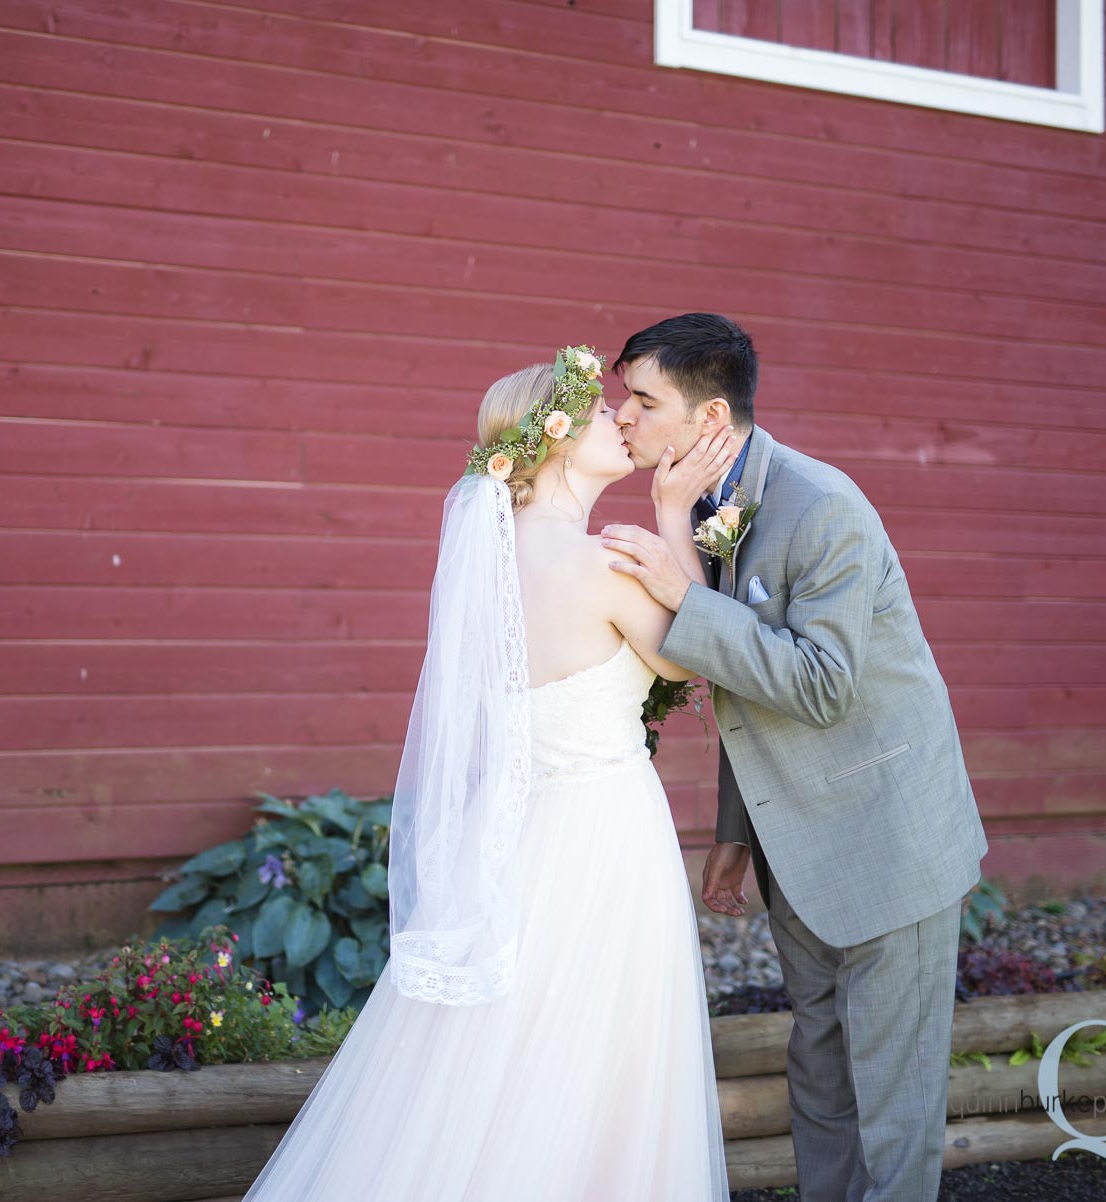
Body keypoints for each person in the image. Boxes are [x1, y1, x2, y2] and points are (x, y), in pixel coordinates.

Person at [239, 348, 738, 1201]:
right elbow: (702, 655)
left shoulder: (498, 565)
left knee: (495, 1060)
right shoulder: (601, 564)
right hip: (603, 843)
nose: (620, 419)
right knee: (594, 1051)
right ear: (552, 439)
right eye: (597, 413)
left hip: (519, 834)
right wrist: (672, 507)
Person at [601, 313, 991, 1202]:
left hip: (891, 837)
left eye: (643, 399)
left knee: (892, 1104)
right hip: (795, 846)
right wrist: (736, 831)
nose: (623, 416)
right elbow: (748, 698)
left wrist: (677, 591)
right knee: (819, 1080)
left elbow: (821, 686)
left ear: (707, 420)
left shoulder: (824, 510)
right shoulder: (705, 508)